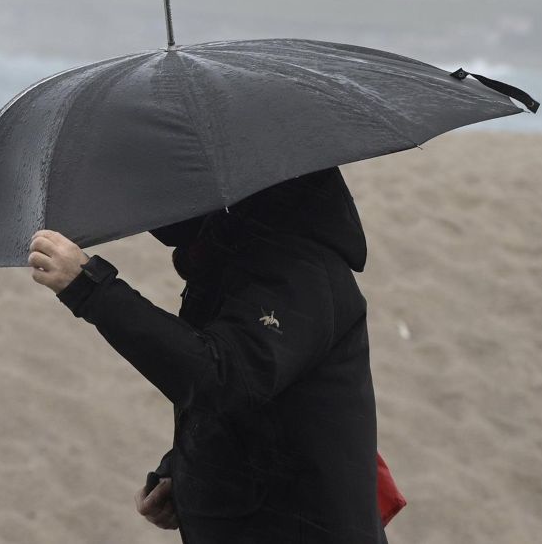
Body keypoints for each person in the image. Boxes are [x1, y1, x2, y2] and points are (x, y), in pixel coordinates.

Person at [28, 166, 392, 543]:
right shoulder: (238, 255)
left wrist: (90, 288)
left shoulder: (300, 270)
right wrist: (186, 473)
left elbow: (223, 377)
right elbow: (251, 402)